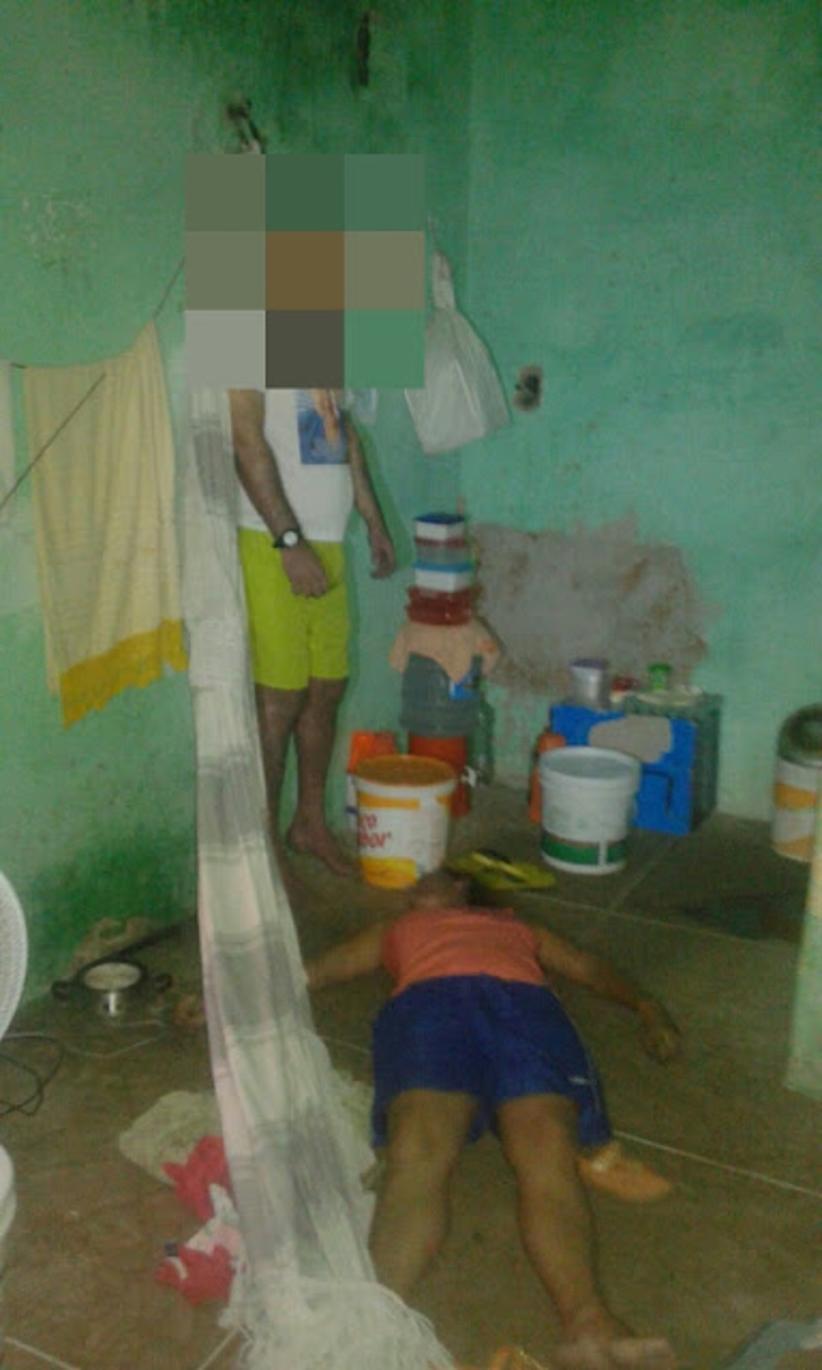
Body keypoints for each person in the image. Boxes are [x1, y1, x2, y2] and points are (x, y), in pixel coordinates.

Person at [305, 871, 681, 1370]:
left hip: (523, 1011)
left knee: (547, 1147)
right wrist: (224, 1001)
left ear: (462, 886)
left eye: (429, 878)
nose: (413, 887)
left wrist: (648, 1007)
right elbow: (313, 972)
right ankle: (371, 1323)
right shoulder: (394, 929)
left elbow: (585, 966)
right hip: (429, 1012)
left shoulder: (514, 924)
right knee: (417, 1150)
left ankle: (589, 1320)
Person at [229, 388, 396, 880]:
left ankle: (309, 825)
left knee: (326, 688)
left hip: (329, 541)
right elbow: (244, 441)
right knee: (279, 699)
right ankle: (261, 848)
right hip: (270, 543)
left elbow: (346, 434)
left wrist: (373, 518)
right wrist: (288, 541)